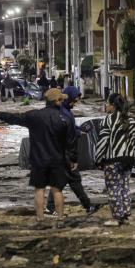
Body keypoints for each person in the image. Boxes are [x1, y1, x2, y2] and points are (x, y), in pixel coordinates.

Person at [0, 88, 77, 225]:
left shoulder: (34, 116)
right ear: (57, 101)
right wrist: (73, 158)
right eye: (62, 99)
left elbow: (15, 118)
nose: (63, 101)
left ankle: (40, 218)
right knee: (57, 190)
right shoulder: (65, 118)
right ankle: (60, 218)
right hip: (58, 159)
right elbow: (71, 141)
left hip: (38, 159)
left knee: (39, 190)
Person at [46, 86, 99, 216]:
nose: (74, 104)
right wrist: (77, 134)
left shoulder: (65, 111)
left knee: (69, 181)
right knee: (69, 181)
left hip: (63, 154)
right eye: (73, 101)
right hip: (66, 154)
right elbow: (66, 132)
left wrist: (78, 130)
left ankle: (87, 206)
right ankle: (86, 206)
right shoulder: (63, 112)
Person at [95, 94, 135, 225]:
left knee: (113, 188)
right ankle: (126, 213)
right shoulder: (131, 121)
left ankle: (117, 217)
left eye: (107, 104)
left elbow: (102, 142)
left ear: (112, 106)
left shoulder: (108, 120)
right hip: (128, 160)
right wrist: (131, 158)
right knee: (124, 187)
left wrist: (98, 159)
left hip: (112, 160)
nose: (106, 106)